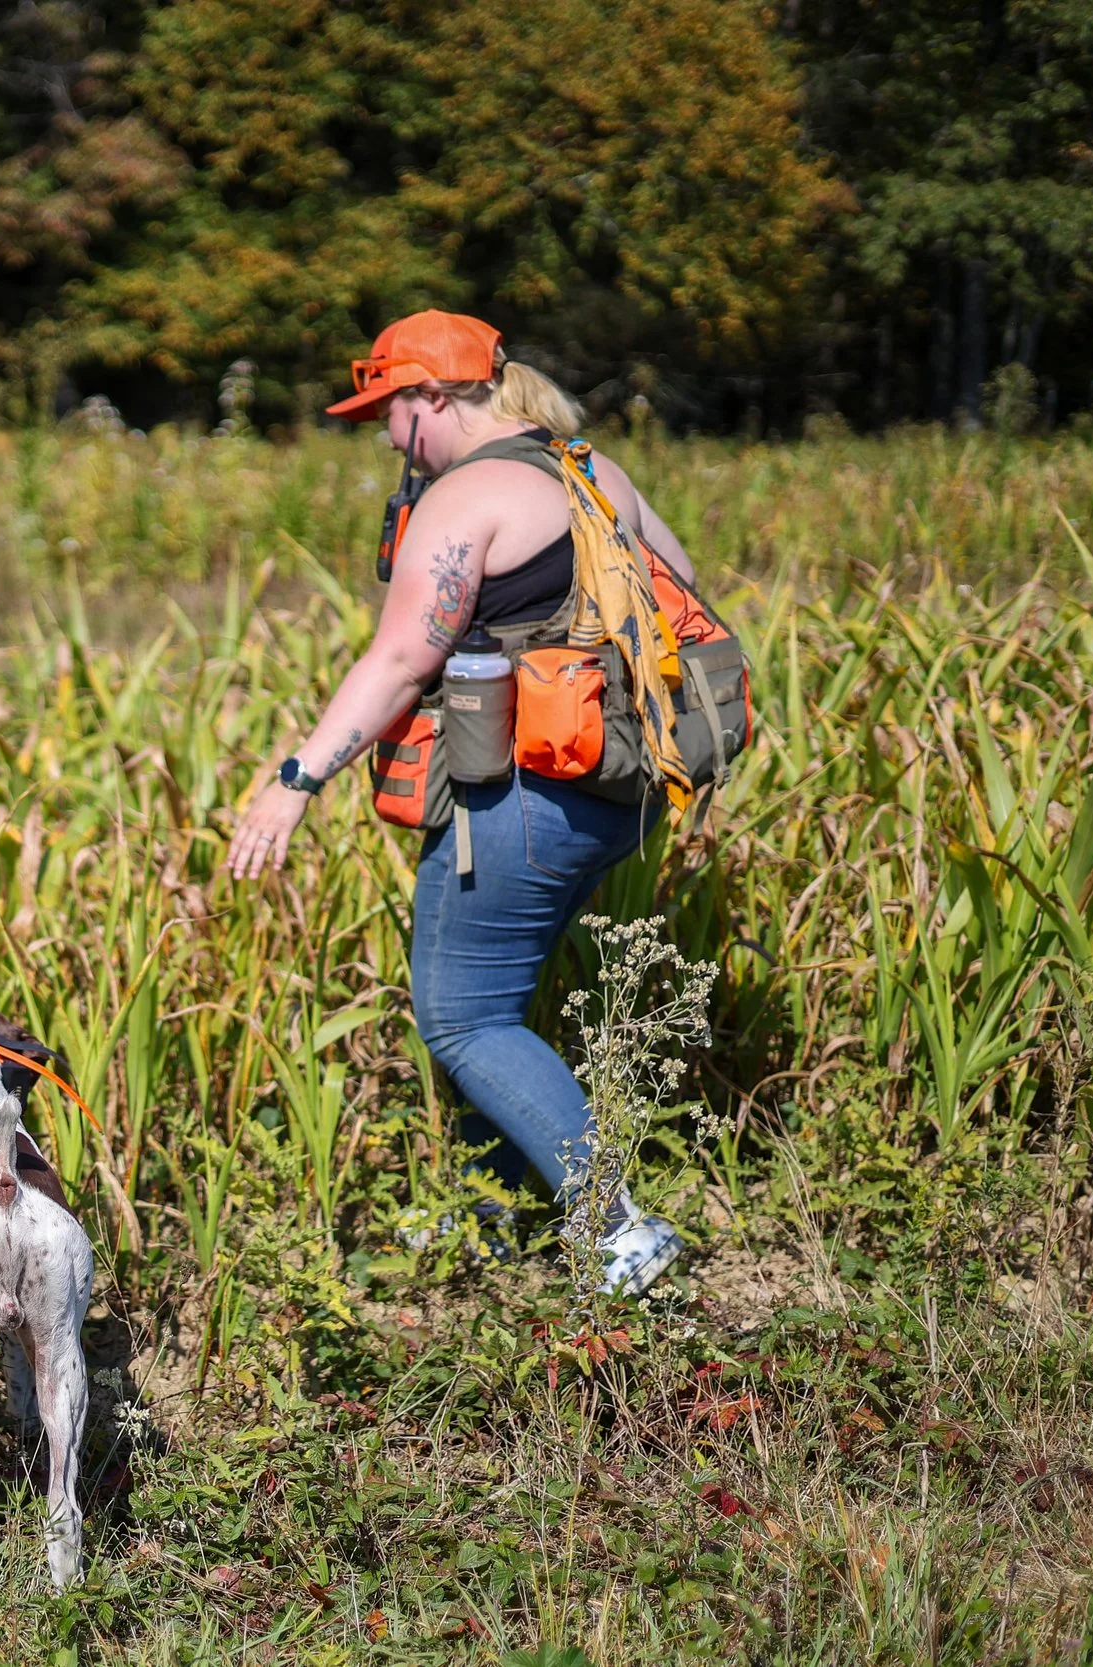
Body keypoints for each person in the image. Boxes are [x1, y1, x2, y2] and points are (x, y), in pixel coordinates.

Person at [225, 311, 691, 1295]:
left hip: (524, 793)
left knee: (463, 1020)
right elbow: (679, 590)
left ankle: (617, 1229)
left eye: (390, 411)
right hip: (619, 788)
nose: (389, 435)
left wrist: (293, 781)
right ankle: (493, 1232)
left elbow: (401, 658)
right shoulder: (591, 471)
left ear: (431, 395)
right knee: (500, 1008)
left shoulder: (465, 495)